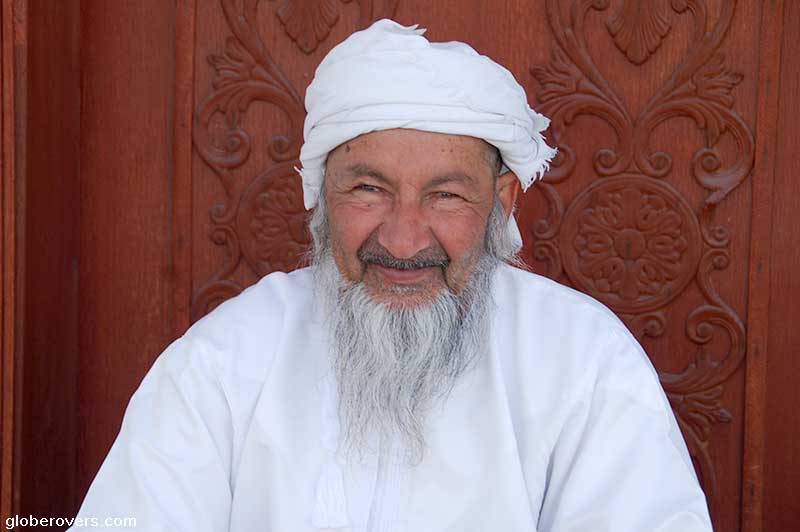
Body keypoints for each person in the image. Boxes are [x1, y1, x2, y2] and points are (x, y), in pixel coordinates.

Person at [69, 19, 713, 532]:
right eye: (369, 189)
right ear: (319, 198)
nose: (404, 239)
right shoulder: (229, 357)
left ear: (503, 202)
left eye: (447, 196)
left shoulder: (583, 359)